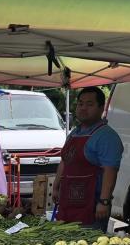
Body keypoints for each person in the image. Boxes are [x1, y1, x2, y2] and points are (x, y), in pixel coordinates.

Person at [52, 86, 123, 231]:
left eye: (90, 104)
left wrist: (104, 201)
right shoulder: (74, 133)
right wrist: (56, 187)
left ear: (101, 108)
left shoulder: (106, 136)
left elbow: (110, 170)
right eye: (80, 104)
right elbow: (65, 161)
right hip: (67, 204)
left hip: (91, 207)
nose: (83, 108)